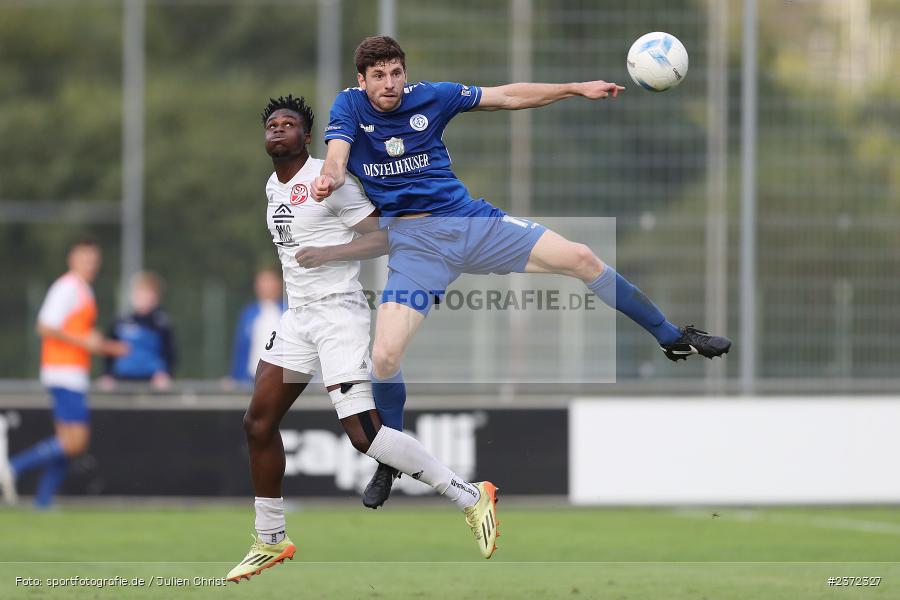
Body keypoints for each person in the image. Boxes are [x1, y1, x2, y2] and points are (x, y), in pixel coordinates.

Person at [311, 36, 731, 409]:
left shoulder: (431, 97)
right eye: (379, 75)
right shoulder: (348, 105)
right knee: (383, 357)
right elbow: (337, 154)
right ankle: (390, 455)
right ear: (362, 80)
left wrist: (574, 88)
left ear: (406, 73)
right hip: (415, 243)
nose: (389, 83)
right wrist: (329, 177)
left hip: (471, 222)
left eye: (396, 72)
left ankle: (672, 336)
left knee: (582, 257)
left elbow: (508, 96)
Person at [225, 95, 501, 583]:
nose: (278, 129)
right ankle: (270, 539)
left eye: (289, 124)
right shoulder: (273, 186)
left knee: (364, 437)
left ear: (305, 138)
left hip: (337, 317)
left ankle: (469, 493)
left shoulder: (327, 182)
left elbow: (383, 237)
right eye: (271, 124)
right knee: (257, 423)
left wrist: (329, 254)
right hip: (299, 321)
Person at [0, 239, 127, 508]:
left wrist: (107, 347)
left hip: (72, 371)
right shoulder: (67, 287)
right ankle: (12, 467)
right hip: (63, 371)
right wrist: (86, 343)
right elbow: (45, 327)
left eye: (94, 260)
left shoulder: (83, 291)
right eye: (85, 259)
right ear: (72, 260)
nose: (91, 264)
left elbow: (79, 334)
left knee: (66, 442)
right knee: (76, 442)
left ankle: (43, 501)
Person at [99, 271, 175, 391]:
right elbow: (109, 350)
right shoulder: (121, 321)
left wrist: (165, 374)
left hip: (151, 381)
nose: (142, 297)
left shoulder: (161, 323)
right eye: (139, 292)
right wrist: (107, 374)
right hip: (122, 379)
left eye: (147, 293)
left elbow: (170, 353)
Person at [228, 269, 287, 388]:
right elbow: (241, 348)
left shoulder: (289, 311)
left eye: (269, 282)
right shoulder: (249, 313)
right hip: (251, 381)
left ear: (278, 284)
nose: (266, 287)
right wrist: (234, 377)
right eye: (262, 283)